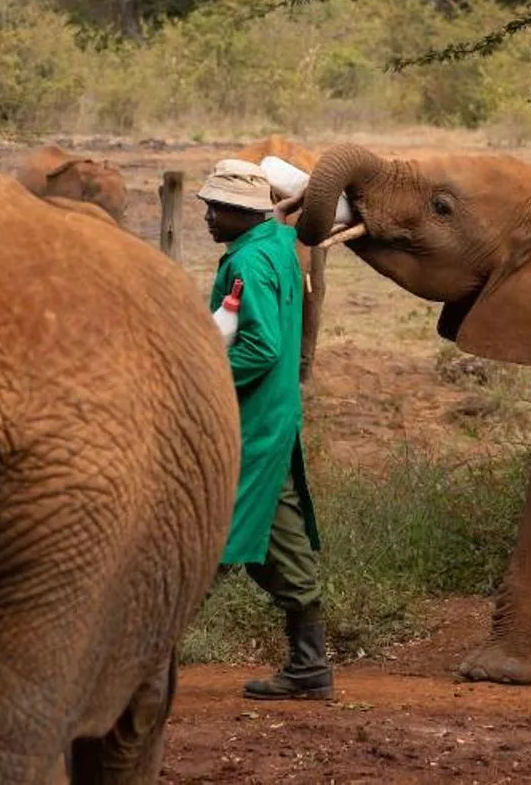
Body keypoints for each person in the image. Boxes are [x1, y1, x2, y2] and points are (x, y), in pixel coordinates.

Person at [198, 158, 332, 701]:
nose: (208, 217)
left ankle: (136, 658)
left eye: (217, 208)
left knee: (211, 538)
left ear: (241, 213)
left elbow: (259, 346)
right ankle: (310, 664)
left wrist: (201, 377)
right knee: (275, 536)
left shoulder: (249, 264)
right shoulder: (275, 244)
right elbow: (275, 222)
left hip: (251, 425)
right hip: (274, 418)